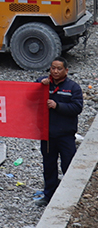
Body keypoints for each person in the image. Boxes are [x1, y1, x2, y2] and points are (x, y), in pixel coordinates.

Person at [34, 57, 83, 206]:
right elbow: (29, 96)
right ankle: (49, 195)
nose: (55, 71)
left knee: (68, 165)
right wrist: (39, 85)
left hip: (65, 135)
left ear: (66, 71)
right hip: (47, 134)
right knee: (49, 166)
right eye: (53, 68)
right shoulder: (43, 83)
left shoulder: (73, 87)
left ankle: (69, 197)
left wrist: (57, 106)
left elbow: (77, 108)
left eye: (59, 68)